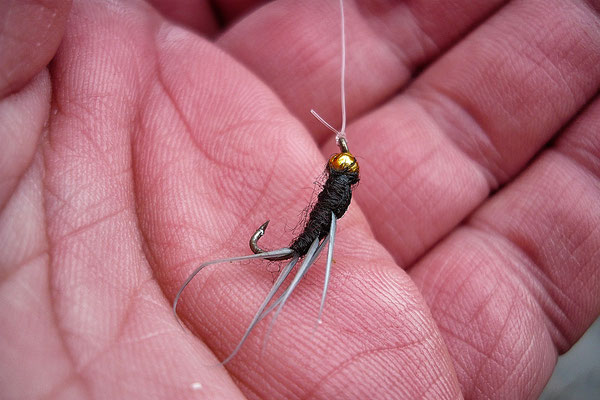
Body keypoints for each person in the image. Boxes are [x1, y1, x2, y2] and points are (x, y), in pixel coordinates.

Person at [1, 0, 598, 398]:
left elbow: (340, 183)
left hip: (320, 223)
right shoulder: (342, 173)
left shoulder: (340, 178)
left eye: (344, 161)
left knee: (298, 254)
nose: (344, 161)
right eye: (344, 160)